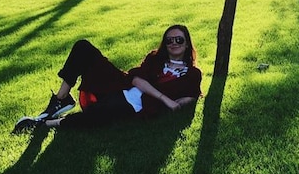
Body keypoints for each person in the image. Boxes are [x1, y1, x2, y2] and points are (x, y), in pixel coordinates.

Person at [12, 25, 202, 132]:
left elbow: (191, 96)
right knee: (83, 47)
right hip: (119, 83)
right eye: (169, 40)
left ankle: (44, 124)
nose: (174, 43)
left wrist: (178, 104)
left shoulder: (192, 73)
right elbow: (136, 80)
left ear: (187, 45)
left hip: (135, 104)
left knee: (98, 113)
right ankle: (61, 100)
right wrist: (166, 100)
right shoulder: (155, 58)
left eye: (179, 40)